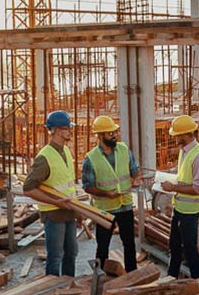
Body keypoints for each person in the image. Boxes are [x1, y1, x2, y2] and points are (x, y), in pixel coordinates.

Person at [82, 115, 143, 273]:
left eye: (115, 132)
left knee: (129, 243)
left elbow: (134, 171)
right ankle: (98, 277)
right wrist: (105, 193)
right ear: (100, 135)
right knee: (102, 246)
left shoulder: (123, 149)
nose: (115, 135)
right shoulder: (91, 158)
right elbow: (87, 187)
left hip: (125, 205)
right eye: (110, 133)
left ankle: (132, 275)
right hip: (105, 208)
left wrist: (136, 179)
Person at [23, 110, 79, 277]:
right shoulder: (44, 157)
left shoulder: (66, 151)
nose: (70, 131)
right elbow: (28, 188)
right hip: (54, 214)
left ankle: (68, 288)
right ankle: (50, 293)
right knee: (55, 257)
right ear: (57, 130)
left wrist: (77, 210)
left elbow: (69, 185)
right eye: (68, 128)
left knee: (71, 253)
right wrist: (56, 203)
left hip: (69, 210)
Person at [161, 114, 199, 278]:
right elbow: (184, 178)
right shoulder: (184, 151)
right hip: (180, 207)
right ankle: (171, 277)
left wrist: (173, 187)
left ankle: (198, 281)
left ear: (185, 134)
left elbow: (197, 188)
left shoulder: (198, 157)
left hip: (190, 211)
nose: (174, 136)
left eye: (176, 134)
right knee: (174, 245)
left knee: (189, 249)